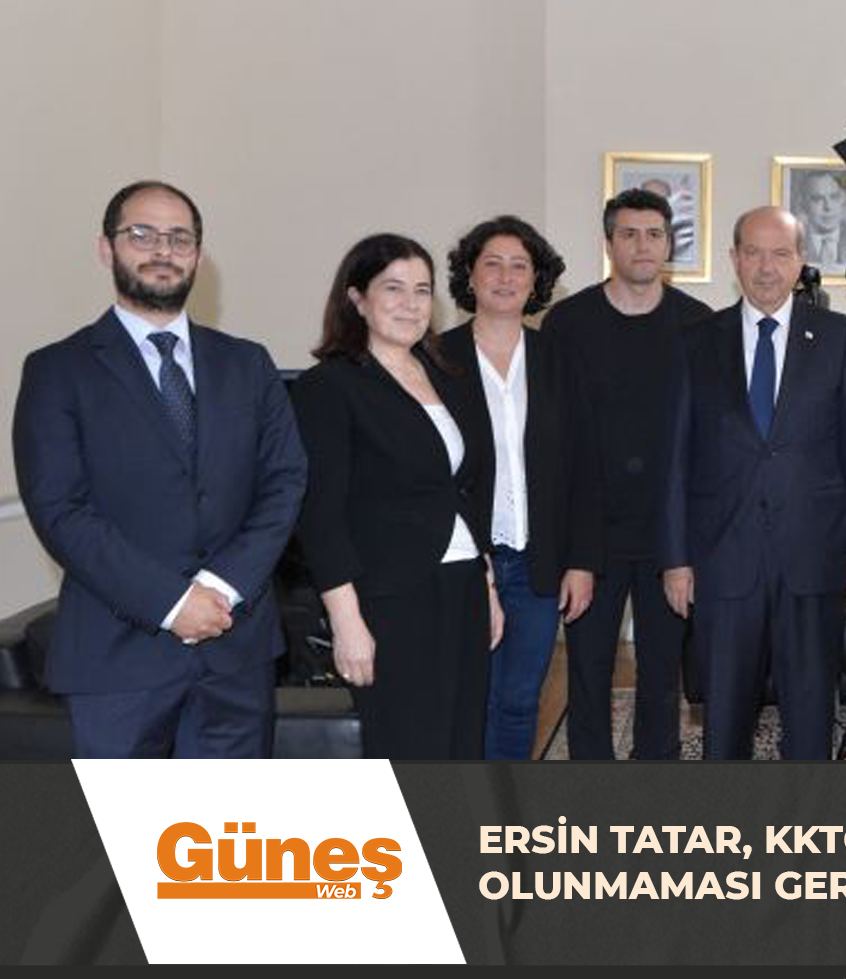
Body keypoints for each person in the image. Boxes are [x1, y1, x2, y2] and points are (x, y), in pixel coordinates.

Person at [12, 179, 307, 757]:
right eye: (142, 234)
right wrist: (172, 603)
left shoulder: (248, 364)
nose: (162, 250)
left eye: (180, 238)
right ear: (107, 248)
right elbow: (60, 509)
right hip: (117, 658)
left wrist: (219, 589)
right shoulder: (57, 371)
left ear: (198, 254)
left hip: (236, 649)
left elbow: (284, 482)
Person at [660, 206, 846, 760]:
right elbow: (676, 460)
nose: (766, 267)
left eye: (780, 253)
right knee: (724, 716)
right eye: (753, 253)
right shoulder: (694, 342)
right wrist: (676, 560)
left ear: (801, 261)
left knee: (810, 715)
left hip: (813, 555)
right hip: (724, 557)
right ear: (733, 259)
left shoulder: (838, 337)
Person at [291, 233, 501, 759]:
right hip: (391, 598)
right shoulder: (329, 387)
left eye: (422, 290)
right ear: (357, 299)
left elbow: (464, 489)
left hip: (462, 586)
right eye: (393, 288)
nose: (411, 303)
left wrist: (488, 584)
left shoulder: (444, 375)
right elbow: (320, 516)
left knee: (462, 744)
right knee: (410, 749)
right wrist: (346, 622)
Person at [541, 189, 712, 759]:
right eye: (630, 234)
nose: (643, 245)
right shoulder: (568, 324)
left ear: (669, 244)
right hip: (590, 535)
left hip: (670, 537)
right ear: (609, 243)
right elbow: (553, 435)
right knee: (587, 670)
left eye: (654, 234)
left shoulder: (698, 324)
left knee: (662, 672)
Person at [440, 215, 597, 761]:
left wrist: (581, 562)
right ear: (469, 275)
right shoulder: (436, 359)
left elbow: (584, 467)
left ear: (536, 280)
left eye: (519, 266)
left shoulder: (560, 359)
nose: (505, 277)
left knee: (520, 700)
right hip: (464, 563)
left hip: (538, 564)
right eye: (492, 264)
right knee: (469, 698)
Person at [793, 170, 846, 271]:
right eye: (817, 199)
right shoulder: (793, 242)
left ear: (843, 200)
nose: (828, 207)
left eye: (834, 197)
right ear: (803, 204)